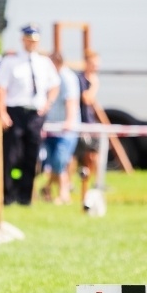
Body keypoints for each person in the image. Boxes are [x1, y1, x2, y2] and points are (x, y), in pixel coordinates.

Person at [0, 24, 60, 205]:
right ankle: (7, 194)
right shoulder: (11, 62)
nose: (31, 43)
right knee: (12, 155)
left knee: (31, 156)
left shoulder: (44, 63)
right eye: (28, 40)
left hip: (35, 114)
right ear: (23, 40)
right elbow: (1, 89)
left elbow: (55, 85)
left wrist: (47, 104)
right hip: (15, 112)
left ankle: (25, 196)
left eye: (34, 41)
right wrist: (2, 113)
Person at [40, 52, 80, 205]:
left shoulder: (67, 78)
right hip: (51, 126)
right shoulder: (51, 76)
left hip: (64, 128)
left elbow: (71, 100)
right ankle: (51, 189)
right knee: (54, 161)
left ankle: (62, 192)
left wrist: (69, 121)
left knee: (59, 160)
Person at [75, 50, 101, 207]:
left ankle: (96, 183)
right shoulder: (81, 79)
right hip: (80, 122)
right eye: (93, 64)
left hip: (90, 123)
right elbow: (86, 98)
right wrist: (95, 86)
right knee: (76, 158)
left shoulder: (91, 79)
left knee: (93, 156)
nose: (96, 68)